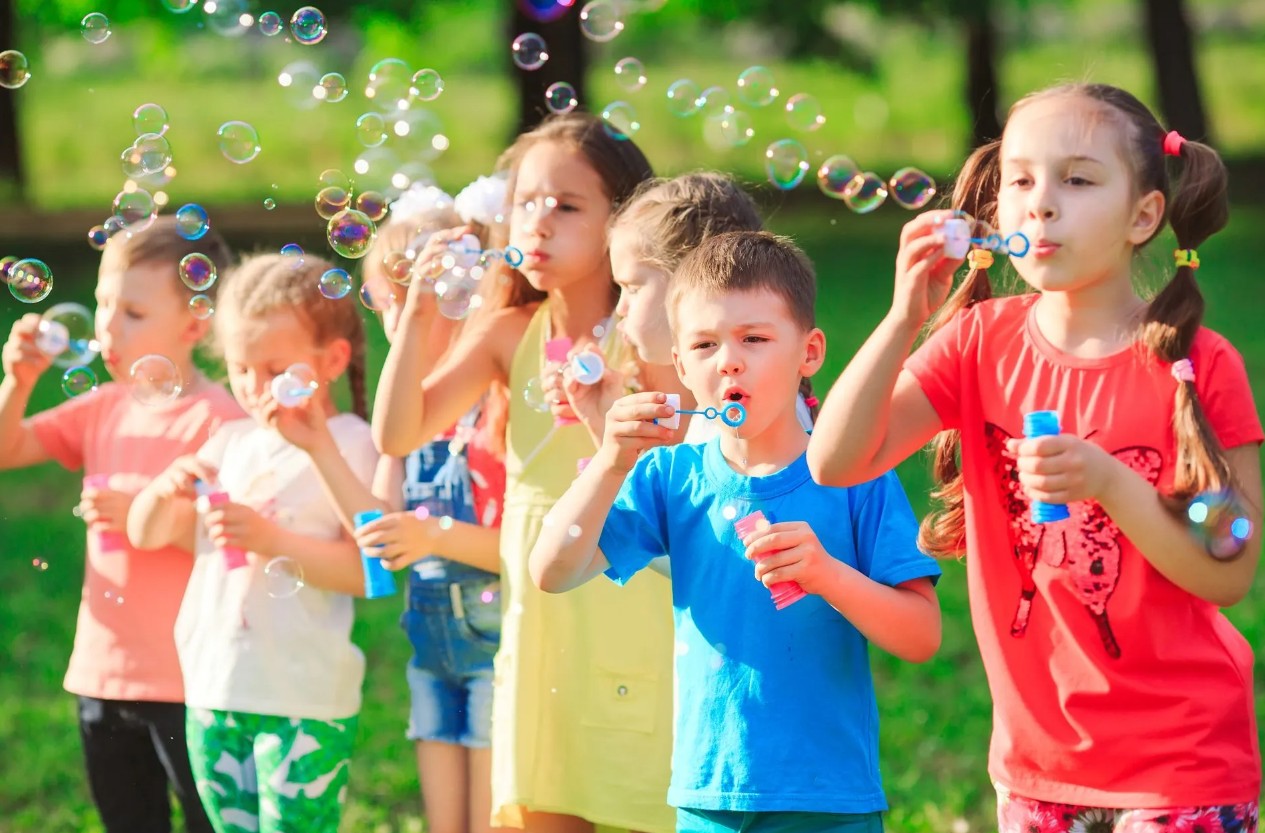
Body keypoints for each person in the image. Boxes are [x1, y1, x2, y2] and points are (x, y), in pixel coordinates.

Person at [807, 83, 1262, 831]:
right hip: (1037, 766)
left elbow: (1229, 567)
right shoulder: (979, 342)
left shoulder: (1197, 366)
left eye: (1077, 180)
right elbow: (837, 461)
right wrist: (902, 318)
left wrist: (1111, 483)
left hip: (1180, 764)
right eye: (1018, 179)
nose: (1038, 202)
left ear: (1143, 215)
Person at [529, 230, 942, 833]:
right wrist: (613, 463)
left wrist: (827, 574)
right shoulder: (670, 475)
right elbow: (552, 570)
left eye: (754, 338)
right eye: (703, 343)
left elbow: (921, 635)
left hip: (828, 800)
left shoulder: (855, 473)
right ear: (680, 367)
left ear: (811, 352)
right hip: (709, 796)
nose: (728, 359)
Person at [373, 112, 675, 833]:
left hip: (631, 594)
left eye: (566, 205)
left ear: (621, 219)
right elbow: (398, 429)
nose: (536, 222)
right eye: (524, 203)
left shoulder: (652, 337)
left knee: (638, 794)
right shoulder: (509, 333)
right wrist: (418, 315)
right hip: (538, 612)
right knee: (541, 802)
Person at [0, 217, 238, 833]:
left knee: (208, 819)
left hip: (193, 676)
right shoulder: (104, 406)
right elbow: (8, 448)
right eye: (103, 303)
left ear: (194, 325)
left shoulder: (219, 421)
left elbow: (237, 541)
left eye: (132, 312)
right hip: (103, 671)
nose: (106, 326)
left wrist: (144, 513)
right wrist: (16, 384)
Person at [128, 251, 379, 833]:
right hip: (215, 686)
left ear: (332, 360)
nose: (253, 387)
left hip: (302, 697)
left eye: (273, 369)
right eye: (241, 370)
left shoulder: (351, 444)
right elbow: (145, 534)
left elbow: (369, 571)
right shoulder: (229, 442)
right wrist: (164, 492)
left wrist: (271, 539)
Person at [346, 180, 508, 833]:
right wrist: (316, 445)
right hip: (430, 650)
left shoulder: (496, 409)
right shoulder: (405, 425)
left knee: (490, 818)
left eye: (416, 300)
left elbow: (520, 545)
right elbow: (377, 537)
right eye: (388, 304)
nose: (398, 319)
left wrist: (432, 533)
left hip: (500, 647)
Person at [556, 172, 815, 448]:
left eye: (632, 287)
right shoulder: (724, 408)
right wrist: (602, 425)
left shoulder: (745, 421)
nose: (620, 308)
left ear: (688, 284)